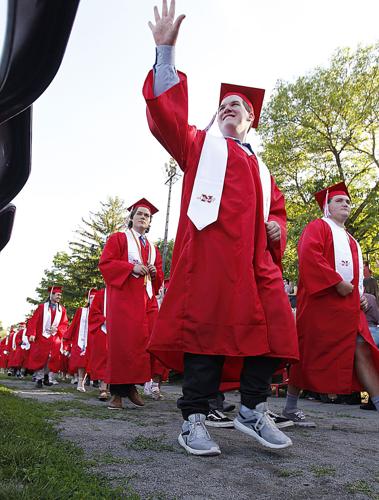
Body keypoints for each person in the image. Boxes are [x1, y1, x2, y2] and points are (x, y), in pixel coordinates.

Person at [143, 0, 299, 456]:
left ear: (251, 120)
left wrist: (275, 226)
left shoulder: (263, 168)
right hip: (211, 257)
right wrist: (166, 54)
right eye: (225, 104)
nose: (230, 107)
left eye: (239, 106)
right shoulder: (198, 146)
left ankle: (251, 410)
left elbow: (279, 214)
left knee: (277, 329)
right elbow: (165, 119)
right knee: (205, 335)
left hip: (256, 265)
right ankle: (194, 419)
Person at [283, 182, 379, 425]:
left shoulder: (351, 240)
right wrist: (336, 283)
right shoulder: (318, 227)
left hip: (349, 310)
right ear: (327, 207)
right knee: (307, 354)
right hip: (321, 307)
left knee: (362, 351)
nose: (345, 204)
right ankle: (290, 408)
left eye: (347, 201)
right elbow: (309, 256)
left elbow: (356, 278)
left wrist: (360, 296)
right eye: (339, 201)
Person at [99, 198, 164, 410]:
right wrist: (130, 268)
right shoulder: (119, 238)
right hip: (124, 300)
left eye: (147, 215)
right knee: (122, 345)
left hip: (145, 301)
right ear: (131, 217)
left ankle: (132, 387)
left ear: (149, 222)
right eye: (140, 214)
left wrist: (155, 273)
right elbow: (106, 264)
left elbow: (159, 278)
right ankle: (117, 393)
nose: (143, 217)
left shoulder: (153, 248)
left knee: (141, 346)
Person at [27, 286, 68, 388]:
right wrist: (32, 333)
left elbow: (64, 323)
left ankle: (46, 376)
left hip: (54, 338)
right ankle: (39, 379)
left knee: (51, 358)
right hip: (42, 337)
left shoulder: (61, 309)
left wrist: (58, 330)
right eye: (57, 295)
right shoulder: (42, 307)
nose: (59, 297)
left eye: (60, 295)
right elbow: (34, 321)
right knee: (41, 358)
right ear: (51, 295)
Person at [63, 289, 97, 392]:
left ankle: (94, 382)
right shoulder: (81, 311)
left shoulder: (99, 312)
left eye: (95, 298)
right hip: (81, 339)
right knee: (81, 361)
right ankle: (80, 382)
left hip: (93, 339)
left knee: (90, 361)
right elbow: (74, 325)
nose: (93, 300)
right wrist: (67, 336)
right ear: (88, 299)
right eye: (91, 298)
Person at [87, 288, 109, 401]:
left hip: (121, 330)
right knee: (103, 358)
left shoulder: (125, 292)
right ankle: (103, 388)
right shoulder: (101, 294)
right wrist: (105, 320)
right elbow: (94, 313)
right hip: (104, 329)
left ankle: (118, 389)